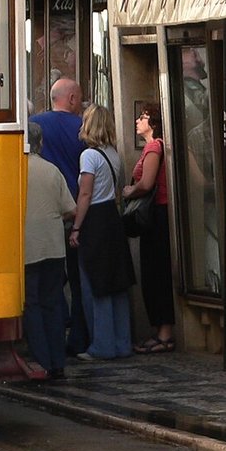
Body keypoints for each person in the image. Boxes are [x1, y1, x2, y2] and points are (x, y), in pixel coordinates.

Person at [69, 104, 135, 361]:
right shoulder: (114, 154)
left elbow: (85, 193)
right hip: (112, 217)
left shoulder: (89, 156)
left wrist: (76, 226)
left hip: (94, 219)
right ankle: (122, 342)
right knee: (116, 283)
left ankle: (102, 345)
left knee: (95, 285)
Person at [33, 77, 89, 356]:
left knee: (47, 284)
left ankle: (44, 344)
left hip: (44, 214)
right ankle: (77, 337)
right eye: (78, 98)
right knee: (78, 280)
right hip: (76, 210)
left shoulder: (35, 124)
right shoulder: (81, 128)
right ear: (70, 99)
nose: (80, 103)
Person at [24, 122, 75, 380]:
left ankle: (40, 362)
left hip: (27, 247)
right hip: (54, 247)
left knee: (32, 304)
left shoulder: (15, 169)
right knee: (54, 303)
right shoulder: (52, 170)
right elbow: (70, 208)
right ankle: (58, 363)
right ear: (40, 143)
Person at [124, 104, 174, 354]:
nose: (137, 120)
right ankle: (160, 331)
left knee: (156, 273)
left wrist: (128, 191)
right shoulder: (155, 146)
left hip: (156, 215)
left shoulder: (155, 146)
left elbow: (146, 184)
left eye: (142, 117)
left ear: (152, 122)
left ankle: (164, 334)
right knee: (154, 273)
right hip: (158, 215)